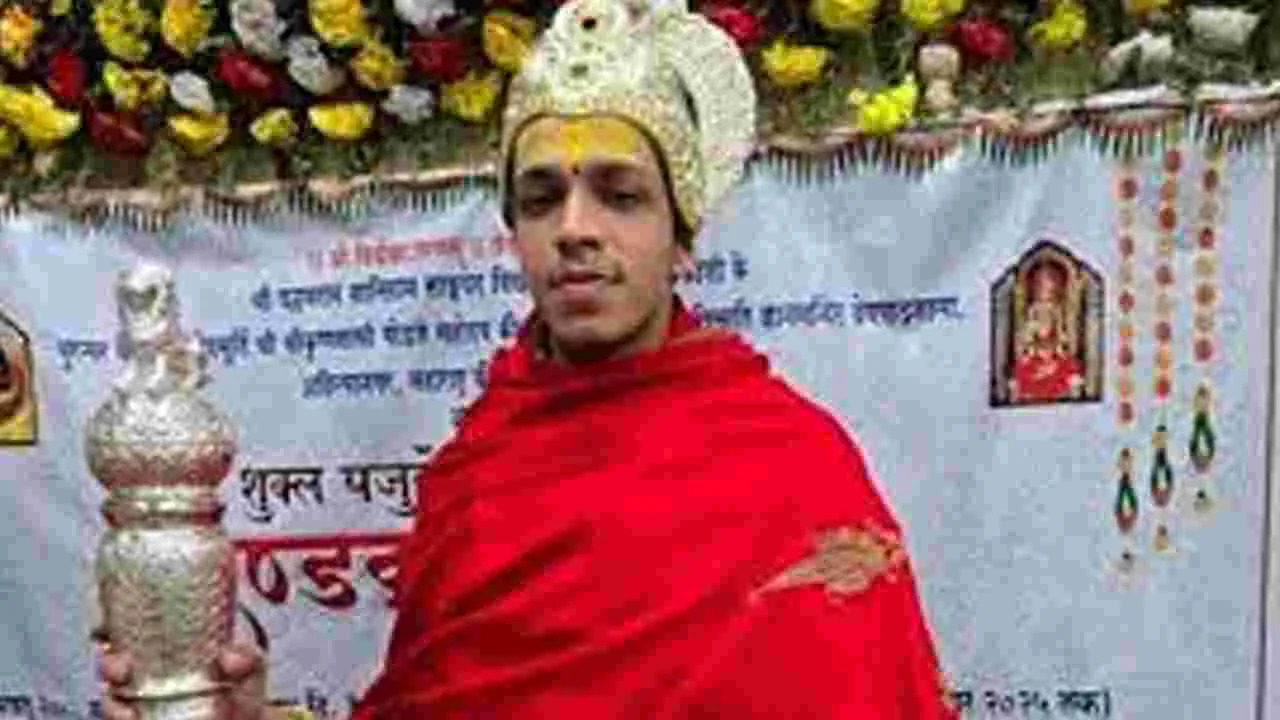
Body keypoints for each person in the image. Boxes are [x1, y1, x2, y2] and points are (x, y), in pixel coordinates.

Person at [98, 0, 957, 717]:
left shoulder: (793, 468)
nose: (576, 228)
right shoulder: (477, 476)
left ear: (681, 238)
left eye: (620, 195)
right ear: (514, 234)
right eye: (542, 199)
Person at [1010, 260, 1084, 403]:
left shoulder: (1068, 365)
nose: (1041, 323)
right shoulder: (1023, 366)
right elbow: (1014, 399)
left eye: (1047, 316)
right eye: (1038, 317)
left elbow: (1076, 400)